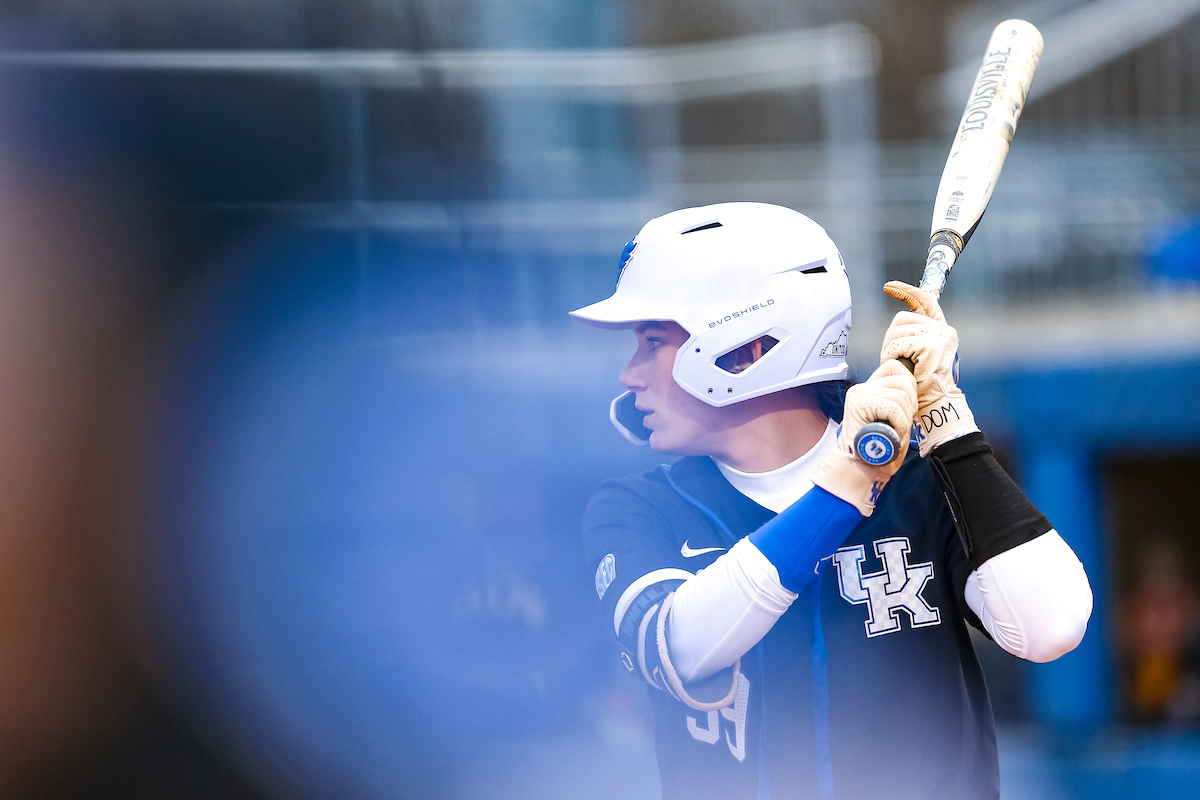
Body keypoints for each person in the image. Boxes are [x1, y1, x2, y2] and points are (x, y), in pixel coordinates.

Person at [571, 202, 1093, 800]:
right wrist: (847, 482)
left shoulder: (919, 479)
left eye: (653, 341)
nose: (630, 375)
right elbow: (678, 645)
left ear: (746, 345)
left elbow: (1052, 627)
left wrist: (945, 416)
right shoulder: (637, 508)